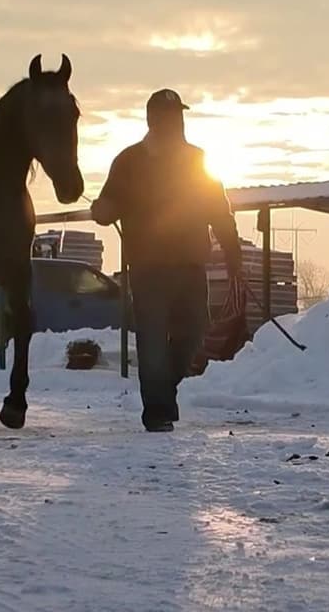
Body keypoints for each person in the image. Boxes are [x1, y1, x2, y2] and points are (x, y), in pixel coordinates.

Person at [90, 88, 243, 432]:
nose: (176, 123)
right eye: (170, 117)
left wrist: (233, 256)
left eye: (179, 116)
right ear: (153, 120)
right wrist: (102, 210)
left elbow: (219, 212)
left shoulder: (197, 160)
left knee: (194, 332)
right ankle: (156, 411)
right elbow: (109, 202)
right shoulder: (129, 161)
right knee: (153, 339)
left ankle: (166, 389)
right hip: (148, 267)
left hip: (191, 265)